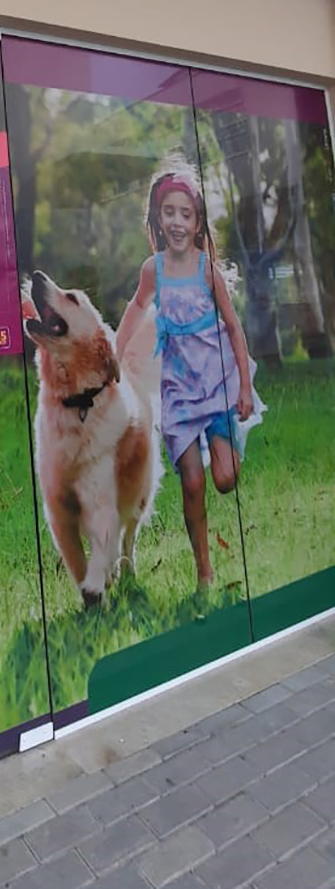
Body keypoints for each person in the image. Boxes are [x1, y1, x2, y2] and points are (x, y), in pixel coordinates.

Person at [115, 158, 264, 587]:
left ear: (197, 223)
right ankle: (204, 572)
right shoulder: (153, 270)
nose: (177, 222)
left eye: (186, 214)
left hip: (216, 386)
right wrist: (114, 356)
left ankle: (221, 445)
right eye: (169, 213)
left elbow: (233, 327)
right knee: (193, 484)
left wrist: (245, 386)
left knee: (224, 480)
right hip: (178, 393)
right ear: (158, 219)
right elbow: (136, 309)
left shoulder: (206, 269)